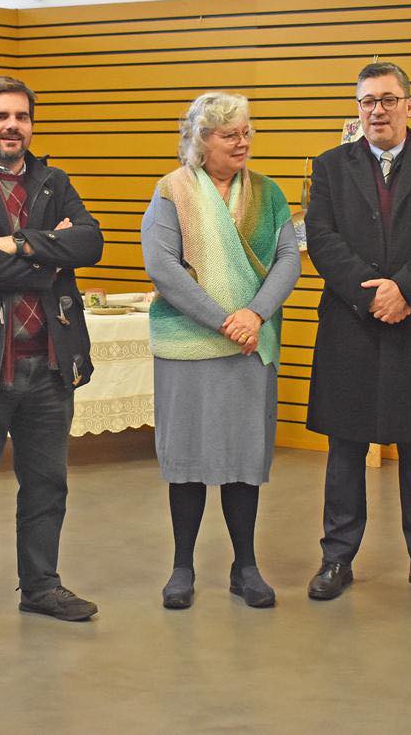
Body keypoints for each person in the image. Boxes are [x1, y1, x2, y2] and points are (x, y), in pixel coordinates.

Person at [0, 75, 104, 640]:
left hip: (50, 365)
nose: (13, 126)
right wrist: (51, 252)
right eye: (0, 116)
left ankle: (41, 587)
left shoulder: (54, 180)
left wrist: (16, 241)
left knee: (47, 486)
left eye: (22, 117)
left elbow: (91, 243)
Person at [304, 61, 411, 603]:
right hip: (351, 322)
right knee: (345, 446)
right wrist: (371, 294)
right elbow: (321, 236)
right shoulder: (329, 166)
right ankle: (337, 557)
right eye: (367, 101)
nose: (376, 110)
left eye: (387, 99)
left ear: (409, 106)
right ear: (358, 109)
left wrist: (405, 290)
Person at [141, 92, 300, 609]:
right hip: (188, 347)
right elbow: (163, 267)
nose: (243, 142)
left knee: (242, 459)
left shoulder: (268, 193)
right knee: (186, 460)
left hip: (249, 347)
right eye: (231, 134)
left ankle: (245, 566)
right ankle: (181, 567)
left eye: (247, 132)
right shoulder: (172, 191)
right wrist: (225, 321)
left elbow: (288, 259)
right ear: (201, 139)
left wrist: (254, 315)